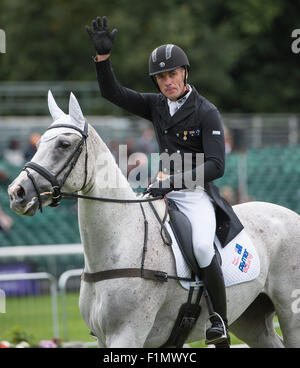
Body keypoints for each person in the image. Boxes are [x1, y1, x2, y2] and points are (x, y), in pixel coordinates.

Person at [86, 16, 244, 346]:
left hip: (195, 193)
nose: (166, 82)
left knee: (202, 247)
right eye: (160, 77)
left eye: (171, 74)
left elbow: (217, 165)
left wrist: (172, 182)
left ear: (184, 73)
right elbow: (112, 93)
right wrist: (103, 60)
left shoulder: (206, 111)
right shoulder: (157, 105)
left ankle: (218, 320)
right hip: (160, 193)